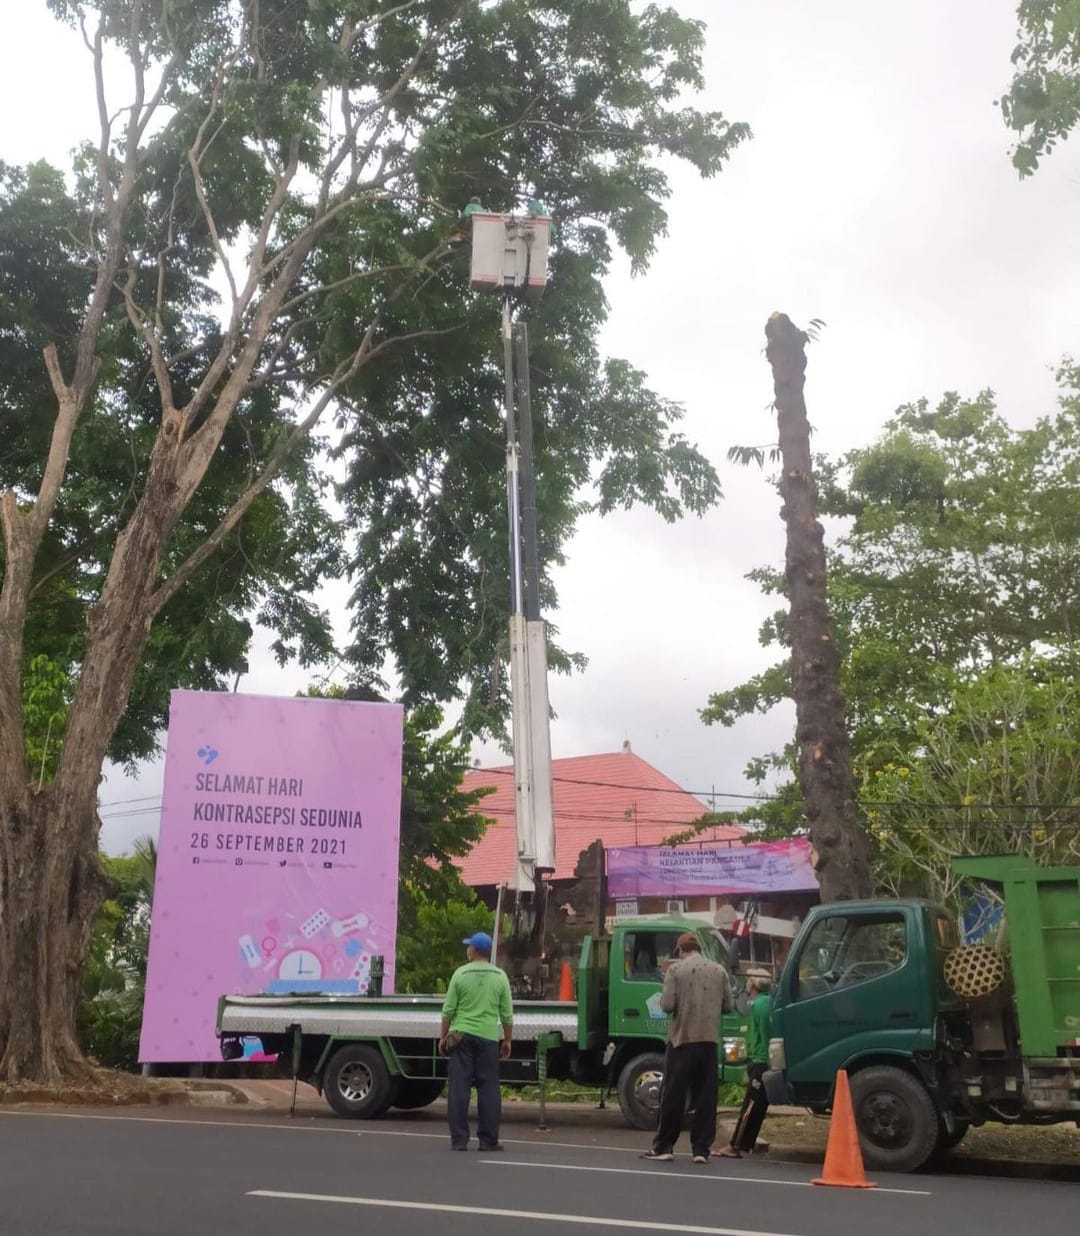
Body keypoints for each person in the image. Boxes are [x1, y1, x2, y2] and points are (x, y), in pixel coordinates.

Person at [641, 932, 733, 1164]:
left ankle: (664, 1146)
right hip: (708, 1041)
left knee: (673, 1094)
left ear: (680, 950)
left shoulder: (675, 971)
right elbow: (729, 1006)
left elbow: (667, 1005)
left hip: (682, 1040)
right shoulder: (718, 971)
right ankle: (701, 1149)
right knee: (705, 1097)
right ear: (698, 948)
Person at [438, 931, 513, 1151]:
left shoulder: (460, 974)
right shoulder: (500, 976)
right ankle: (488, 1141)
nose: (467, 949)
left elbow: (448, 1011)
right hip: (488, 1038)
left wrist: (443, 1037)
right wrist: (507, 1040)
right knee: (489, 1088)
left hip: (461, 1037)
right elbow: (507, 1015)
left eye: (468, 946)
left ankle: (459, 1140)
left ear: (473, 950)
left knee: (459, 1088)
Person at [719, 977, 772, 1158]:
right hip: (763, 1060)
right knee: (759, 1106)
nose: (746, 984)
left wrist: (763, 1059)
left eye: (749, 980)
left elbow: (764, 1034)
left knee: (750, 1106)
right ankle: (745, 1144)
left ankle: (735, 1145)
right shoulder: (767, 1002)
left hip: (760, 1060)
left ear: (754, 985)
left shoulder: (760, 1006)